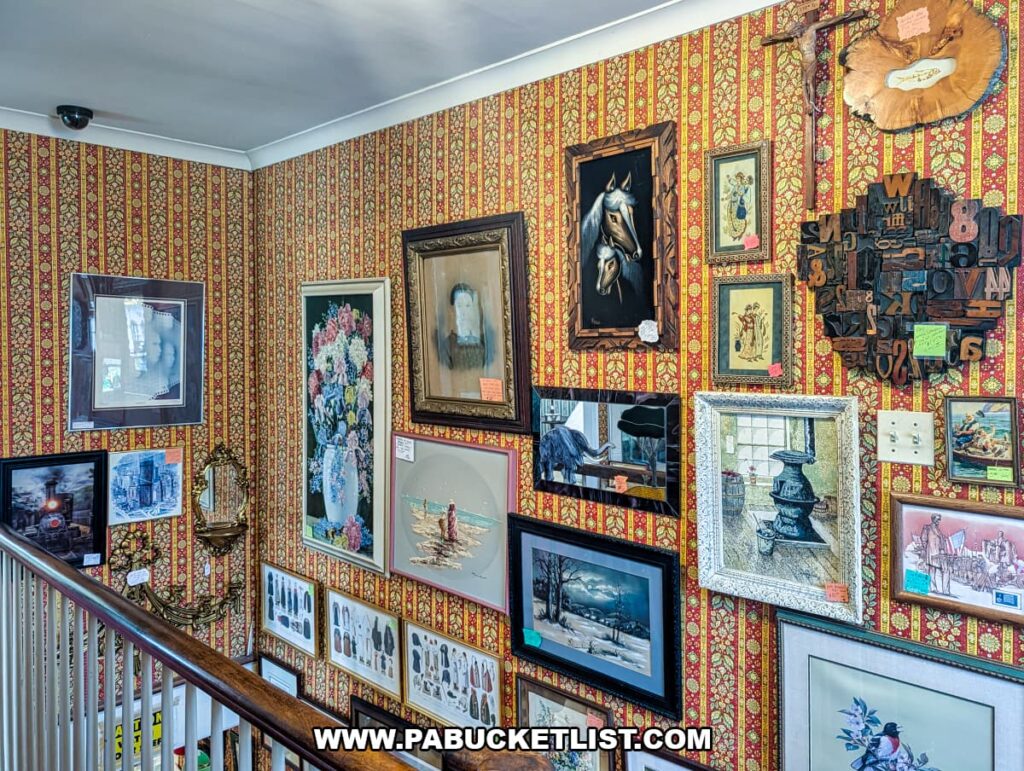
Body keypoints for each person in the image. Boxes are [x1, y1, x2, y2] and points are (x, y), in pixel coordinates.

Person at [920, 513, 952, 595]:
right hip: (932, 553)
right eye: (938, 519)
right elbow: (923, 539)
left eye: (939, 519)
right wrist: (928, 550)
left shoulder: (939, 531)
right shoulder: (927, 528)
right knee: (932, 571)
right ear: (933, 519)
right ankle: (934, 588)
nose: (939, 521)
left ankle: (946, 590)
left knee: (946, 570)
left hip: (941, 554)